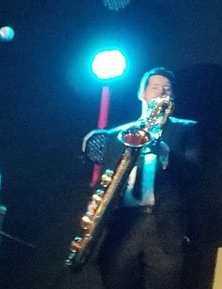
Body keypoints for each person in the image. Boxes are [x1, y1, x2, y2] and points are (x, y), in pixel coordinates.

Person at [81, 67, 199, 289]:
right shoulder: (117, 135)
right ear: (142, 93)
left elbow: (193, 173)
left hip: (164, 224)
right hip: (124, 224)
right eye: (155, 87)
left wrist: (164, 151)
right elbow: (106, 179)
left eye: (167, 89)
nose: (161, 92)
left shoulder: (187, 129)